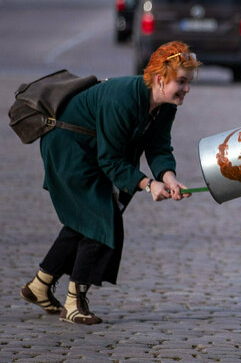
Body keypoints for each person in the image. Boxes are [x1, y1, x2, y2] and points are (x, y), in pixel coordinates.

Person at [19, 41, 199, 325]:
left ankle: (40, 285)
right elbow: (111, 160)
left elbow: (158, 146)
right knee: (101, 218)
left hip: (94, 149)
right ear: (161, 79)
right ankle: (73, 303)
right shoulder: (123, 99)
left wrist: (169, 178)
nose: (187, 89)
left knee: (87, 217)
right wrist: (146, 184)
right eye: (182, 82)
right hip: (69, 147)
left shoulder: (165, 105)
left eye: (189, 82)